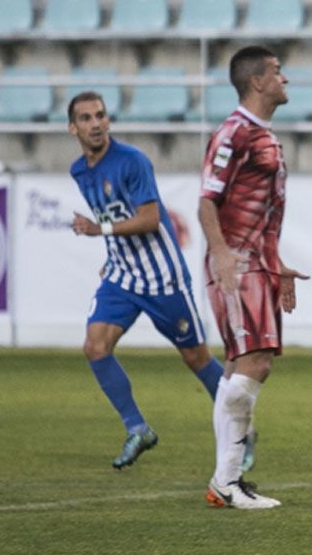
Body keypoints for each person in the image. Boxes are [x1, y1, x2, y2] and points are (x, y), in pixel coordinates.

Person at [68, 91, 254, 472]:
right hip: (122, 275)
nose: (96, 123)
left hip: (162, 277)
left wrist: (96, 230)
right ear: (73, 128)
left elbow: (150, 219)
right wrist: (110, 256)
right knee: (95, 346)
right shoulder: (79, 170)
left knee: (196, 358)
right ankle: (137, 428)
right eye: (86, 118)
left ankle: (243, 432)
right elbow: (113, 212)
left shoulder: (132, 161)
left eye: (101, 115)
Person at [199, 45, 307, 510]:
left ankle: (225, 482)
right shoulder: (233, 133)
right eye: (278, 73)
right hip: (237, 263)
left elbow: (264, 213)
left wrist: (277, 263)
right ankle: (228, 480)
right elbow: (206, 200)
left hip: (257, 262)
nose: (285, 79)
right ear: (258, 82)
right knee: (255, 363)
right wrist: (222, 254)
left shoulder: (262, 135)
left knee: (237, 366)